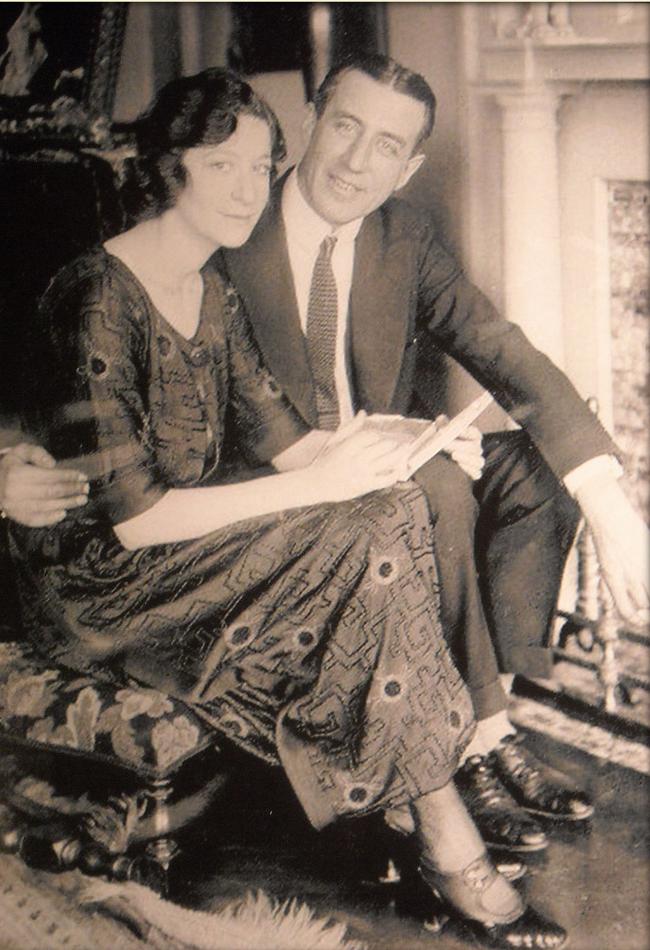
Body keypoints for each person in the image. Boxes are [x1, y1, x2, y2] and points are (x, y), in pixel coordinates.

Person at [2, 54, 647, 850]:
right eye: (344, 126)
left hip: (343, 454)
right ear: (309, 121)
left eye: (386, 146)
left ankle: (490, 720)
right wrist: (9, 462)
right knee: (437, 490)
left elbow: (500, 348)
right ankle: (469, 746)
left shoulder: (402, 233)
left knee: (536, 468)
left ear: (407, 167)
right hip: (239, 496)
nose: (354, 161)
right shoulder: (221, 223)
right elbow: (75, 377)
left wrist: (609, 499)